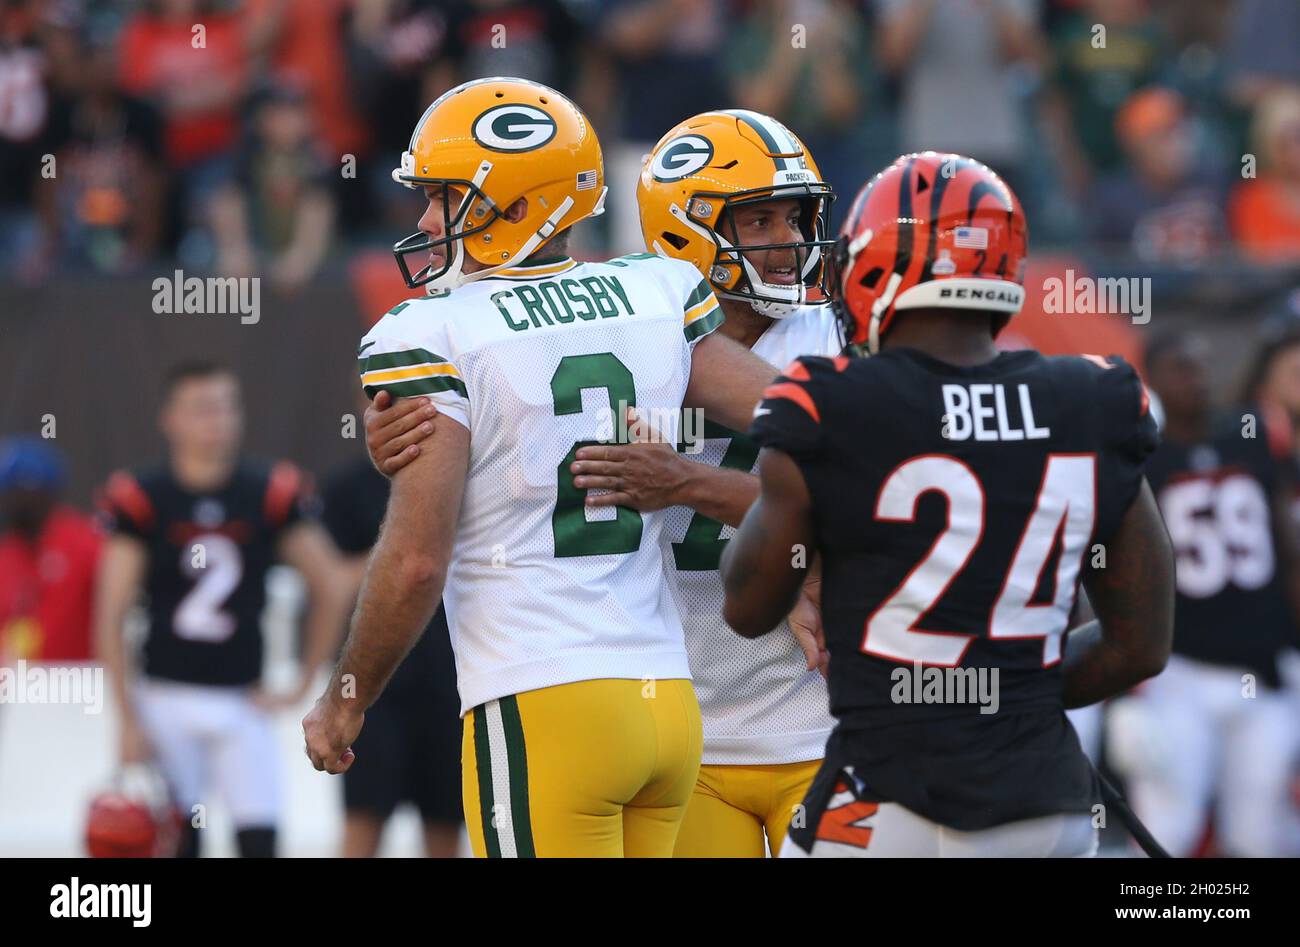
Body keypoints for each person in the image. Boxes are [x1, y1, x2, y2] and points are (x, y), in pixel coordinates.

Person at [301, 77, 783, 858]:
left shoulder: (435, 330)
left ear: (522, 207)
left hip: (544, 700)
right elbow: (805, 414)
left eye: (446, 198)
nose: (426, 220)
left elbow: (419, 560)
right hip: (667, 709)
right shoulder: (651, 291)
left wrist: (346, 697)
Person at [720, 152, 1175, 857]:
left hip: (886, 793)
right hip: (1044, 800)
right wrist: (1004, 688)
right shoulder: (1094, 399)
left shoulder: (829, 402)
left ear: (873, 266)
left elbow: (748, 607)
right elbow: (1139, 645)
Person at [96, 361, 349, 857]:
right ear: (169, 418)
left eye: (225, 406)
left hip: (242, 699)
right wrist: (126, 718)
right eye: (201, 408)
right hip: (165, 696)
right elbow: (110, 613)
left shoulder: (268, 489)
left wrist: (302, 679)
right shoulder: (144, 495)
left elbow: (331, 584)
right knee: (174, 844)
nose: (216, 419)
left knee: (259, 841)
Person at [1107, 332, 1300, 857]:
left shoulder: (1250, 438)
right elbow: (1114, 577)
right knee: (1167, 829)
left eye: (1200, 366)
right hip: (1179, 673)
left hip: (1261, 668)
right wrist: (1123, 693)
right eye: (1180, 368)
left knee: (1264, 835)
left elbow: (1287, 547)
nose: (1196, 378)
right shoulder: (1142, 459)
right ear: (1154, 379)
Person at [320, 404, 463, 859]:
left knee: (445, 822)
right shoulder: (347, 488)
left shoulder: (467, 478)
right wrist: (402, 552)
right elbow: (332, 582)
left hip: (452, 676)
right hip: (376, 679)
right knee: (364, 819)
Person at [0, 438, 101, 663]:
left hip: (81, 683)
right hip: (17, 686)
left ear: (44, 492)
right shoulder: (7, 553)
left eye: (15, 491)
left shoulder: (87, 544)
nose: (8, 501)